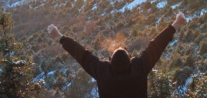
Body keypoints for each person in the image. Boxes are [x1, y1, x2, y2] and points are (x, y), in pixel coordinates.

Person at [47, 12, 186, 98]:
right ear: (130, 60)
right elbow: (157, 45)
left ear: (110, 61)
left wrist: (59, 36)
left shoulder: (102, 71)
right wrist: (176, 24)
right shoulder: (139, 68)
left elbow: (80, 53)